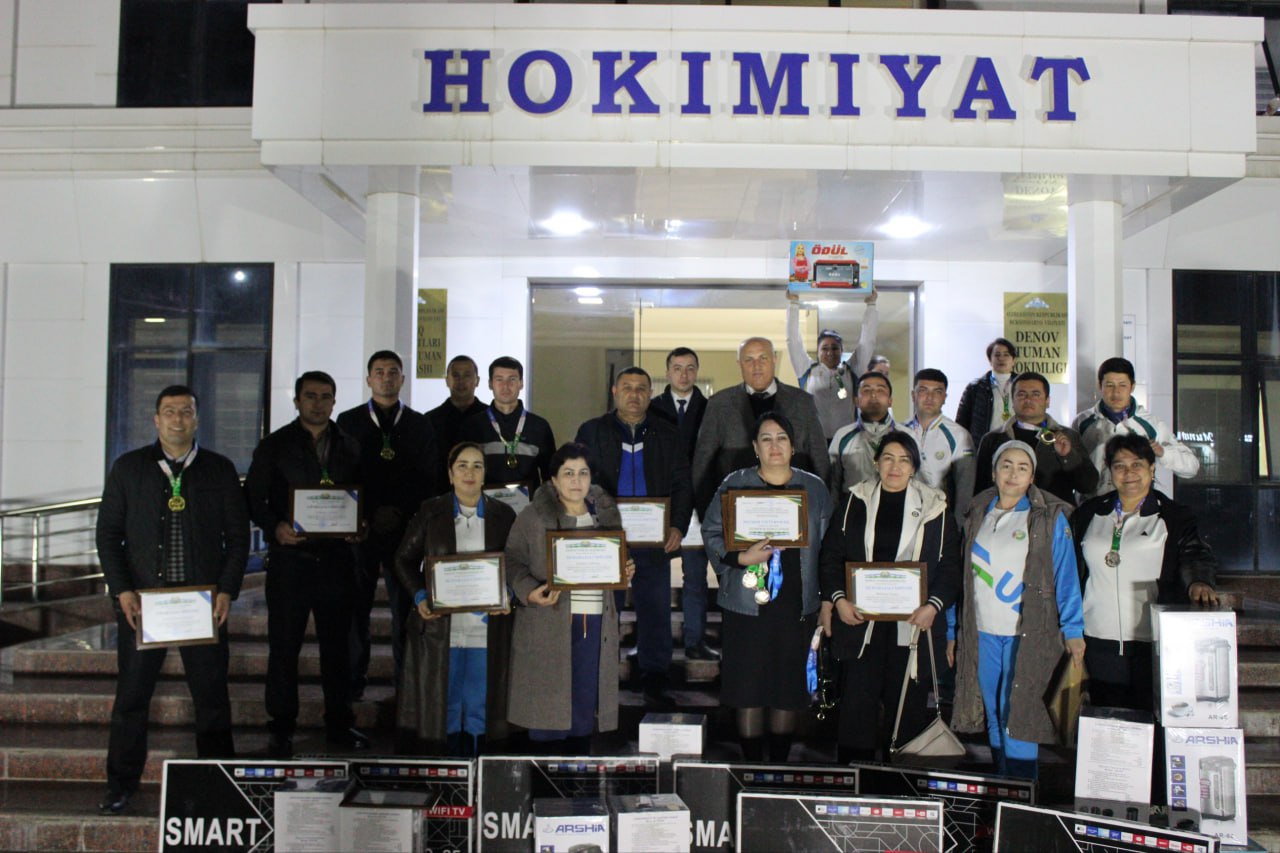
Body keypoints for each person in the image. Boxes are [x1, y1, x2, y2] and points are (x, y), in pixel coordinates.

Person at [95, 386, 249, 815]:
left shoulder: (219, 470)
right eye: (169, 412)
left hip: (203, 605)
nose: (177, 419)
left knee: (212, 699)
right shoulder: (129, 468)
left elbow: (238, 538)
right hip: (144, 605)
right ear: (156, 419)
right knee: (131, 698)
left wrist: (227, 590)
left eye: (186, 411)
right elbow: (108, 535)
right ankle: (120, 785)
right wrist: (122, 590)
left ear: (197, 418)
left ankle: (219, 784)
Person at [245, 371, 371, 758]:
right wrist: (275, 528)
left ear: (334, 401)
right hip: (291, 562)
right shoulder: (274, 445)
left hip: (337, 561)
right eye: (311, 396)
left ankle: (339, 722)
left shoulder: (351, 444)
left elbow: (365, 496)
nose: (318, 403)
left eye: (325, 396)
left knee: (338, 649)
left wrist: (360, 526)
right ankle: (282, 727)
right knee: (284, 647)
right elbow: (254, 499)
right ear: (297, 401)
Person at [817, 431, 961, 764]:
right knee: (856, 712)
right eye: (888, 458)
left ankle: (901, 786)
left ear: (914, 466)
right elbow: (831, 556)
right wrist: (838, 600)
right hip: (860, 625)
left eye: (904, 460)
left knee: (906, 713)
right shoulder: (854, 501)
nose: (895, 467)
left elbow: (950, 568)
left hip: (913, 628)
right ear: (876, 462)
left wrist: (933, 607)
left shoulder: (936, 507)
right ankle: (856, 781)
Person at [702, 413, 834, 762]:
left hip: (796, 605)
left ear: (793, 446)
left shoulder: (814, 488)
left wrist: (827, 600)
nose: (774, 446)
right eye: (766, 439)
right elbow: (711, 531)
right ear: (755, 447)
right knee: (748, 690)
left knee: (787, 690)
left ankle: (778, 768)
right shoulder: (735, 483)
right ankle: (751, 768)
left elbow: (831, 547)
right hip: (747, 607)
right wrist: (740, 558)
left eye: (781, 438)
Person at [950, 440, 1085, 780]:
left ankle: (1023, 792)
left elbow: (1066, 576)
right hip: (982, 632)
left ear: (1032, 476)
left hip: (1026, 635)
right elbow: (960, 577)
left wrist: (1073, 630)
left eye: (1022, 467)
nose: (1013, 473)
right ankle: (1003, 783)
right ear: (994, 471)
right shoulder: (977, 512)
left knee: (1019, 716)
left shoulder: (1049, 517)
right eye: (1006, 465)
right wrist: (953, 629)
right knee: (995, 714)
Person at [1070, 433, 1218, 712]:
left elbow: (1195, 554)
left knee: (1148, 717)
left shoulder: (1173, 516)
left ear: (1152, 468)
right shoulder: (1088, 514)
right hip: (1097, 637)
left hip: (1151, 640)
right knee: (1104, 718)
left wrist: (1199, 581)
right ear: (1110, 470)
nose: (1129, 473)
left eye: (1137, 464)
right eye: (1120, 466)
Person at [504, 443, 636, 753]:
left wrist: (626, 568)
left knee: (584, 702)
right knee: (548, 705)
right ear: (554, 479)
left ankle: (578, 769)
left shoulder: (605, 516)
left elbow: (617, 562)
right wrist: (529, 590)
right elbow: (511, 560)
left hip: (595, 622)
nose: (576, 480)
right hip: (548, 621)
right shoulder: (533, 516)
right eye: (568, 473)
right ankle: (544, 773)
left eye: (583, 473)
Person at [575, 367, 693, 708]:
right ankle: (597, 678)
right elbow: (578, 481)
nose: (634, 394)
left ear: (650, 394)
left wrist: (678, 526)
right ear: (614, 392)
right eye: (627, 387)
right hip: (605, 541)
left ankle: (655, 680)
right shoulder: (591, 431)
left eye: (641, 388)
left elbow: (682, 484)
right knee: (603, 612)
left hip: (653, 542)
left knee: (656, 612)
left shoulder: (668, 434)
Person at [391, 442, 518, 756]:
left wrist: (509, 595)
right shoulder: (430, 512)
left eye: (477, 466)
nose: (469, 472)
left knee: (478, 706)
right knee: (443, 706)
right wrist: (421, 596)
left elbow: (517, 566)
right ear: (450, 474)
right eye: (462, 465)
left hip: (485, 629)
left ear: (485, 474)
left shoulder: (504, 515)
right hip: (441, 629)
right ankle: (447, 772)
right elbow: (403, 560)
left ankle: (477, 768)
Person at [337, 350, 439, 699]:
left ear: (402, 379)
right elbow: (342, 475)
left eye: (392, 372)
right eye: (379, 372)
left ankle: (405, 685)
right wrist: (364, 515)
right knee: (356, 610)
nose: (386, 378)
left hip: (404, 532)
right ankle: (353, 682)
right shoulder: (348, 422)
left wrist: (400, 513)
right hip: (360, 531)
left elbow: (428, 478)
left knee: (405, 611)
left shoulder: (419, 425)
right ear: (368, 379)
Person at [692, 336, 829, 515]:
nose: (756, 366)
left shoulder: (803, 402)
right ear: (739, 364)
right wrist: (709, 514)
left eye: (763, 358)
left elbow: (820, 460)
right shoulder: (719, 404)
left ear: (774, 359)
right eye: (749, 359)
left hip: (794, 509)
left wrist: (823, 511)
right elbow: (702, 464)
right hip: (735, 509)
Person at [649, 347, 717, 661]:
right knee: (654, 579)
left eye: (690, 368)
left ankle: (695, 641)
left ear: (697, 372)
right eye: (677, 368)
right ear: (668, 372)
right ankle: (652, 644)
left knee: (695, 578)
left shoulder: (711, 408)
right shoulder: (652, 408)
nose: (684, 374)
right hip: (661, 504)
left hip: (700, 504)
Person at [1072, 357, 1200, 497]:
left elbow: (1191, 467)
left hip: (1136, 507)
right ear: (1099, 385)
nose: (1116, 392)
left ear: (1132, 386)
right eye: (1109, 385)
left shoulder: (1151, 424)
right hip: (1092, 506)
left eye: (1122, 385)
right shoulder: (1082, 422)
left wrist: (1163, 452)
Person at [972, 372, 1098, 504]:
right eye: (1021, 394)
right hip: (1006, 514)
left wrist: (1067, 456)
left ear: (1048, 401)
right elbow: (981, 490)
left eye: (1036, 394)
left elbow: (1088, 486)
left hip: (1056, 514)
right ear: (1012, 401)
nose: (1028, 400)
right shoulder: (993, 439)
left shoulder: (1068, 436)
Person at [785, 289, 880, 439]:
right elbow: (793, 342)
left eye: (835, 348)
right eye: (825, 348)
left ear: (842, 351)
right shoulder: (806, 370)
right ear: (817, 352)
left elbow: (867, 342)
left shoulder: (852, 370)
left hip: (846, 441)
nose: (830, 352)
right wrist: (793, 304)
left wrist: (871, 305)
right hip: (814, 441)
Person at [460, 356, 556, 487]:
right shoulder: (473, 426)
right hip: (484, 500)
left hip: (529, 500)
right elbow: (462, 472)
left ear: (521, 383)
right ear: (490, 384)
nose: (505, 386)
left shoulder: (539, 426)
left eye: (512, 379)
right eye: (499, 379)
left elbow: (550, 477)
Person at [903, 368, 975, 520]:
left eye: (937, 392)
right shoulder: (898, 432)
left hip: (938, 517)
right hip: (901, 513)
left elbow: (965, 489)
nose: (930, 397)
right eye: (923, 390)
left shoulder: (959, 435)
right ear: (913, 395)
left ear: (944, 397)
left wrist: (958, 525)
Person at [828, 372, 897, 496]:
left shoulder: (907, 436)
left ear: (890, 401)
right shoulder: (842, 436)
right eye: (866, 391)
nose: (873, 395)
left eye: (880, 390)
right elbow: (832, 483)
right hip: (853, 504)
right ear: (856, 401)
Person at [427, 355, 488, 483]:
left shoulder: (490, 417)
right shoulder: (430, 420)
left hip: (483, 489)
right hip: (442, 490)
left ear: (477, 381)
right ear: (447, 381)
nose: (461, 381)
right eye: (456, 375)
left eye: (467, 375)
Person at [956, 338, 1019, 446]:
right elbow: (961, 423)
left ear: (1013, 360)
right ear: (990, 360)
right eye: (997, 355)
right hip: (984, 445)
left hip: (1016, 443)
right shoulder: (975, 388)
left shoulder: (1023, 386)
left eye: (1006, 355)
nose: (1001, 358)